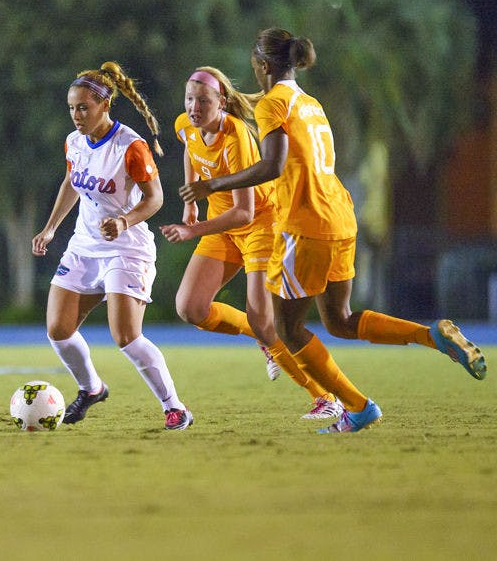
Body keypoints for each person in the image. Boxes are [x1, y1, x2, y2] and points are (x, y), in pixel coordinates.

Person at [179, 28, 487, 434]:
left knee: (285, 329)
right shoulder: (310, 103)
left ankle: (356, 407)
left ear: (263, 66)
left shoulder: (273, 104)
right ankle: (431, 335)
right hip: (340, 217)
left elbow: (271, 166)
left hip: (305, 226)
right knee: (339, 320)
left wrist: (212, 185)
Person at [161, 66, 343, 420]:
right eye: (189, 99)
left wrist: (193, 231)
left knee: (263, 317)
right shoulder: (185, 124)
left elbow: (244, 213)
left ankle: (326, 397)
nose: (194, 107)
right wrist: (189, 202)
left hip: (260, 223)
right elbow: (190, 151)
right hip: (221, 224)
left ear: (222, 102)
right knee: (190, 308)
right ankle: (264, 339)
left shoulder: (237, 138)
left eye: (203, 100)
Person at [32, 61, 192, 431]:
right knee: (58, 329)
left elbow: (154, 199)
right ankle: (91, 389)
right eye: (72, 107)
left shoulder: (130, 146)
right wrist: (50, 228)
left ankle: (175, 407)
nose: (76, 115)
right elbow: (72, 182)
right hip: (84, 246)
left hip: (126, 247)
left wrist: (123, 221)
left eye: (84, 107)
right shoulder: (74, 141)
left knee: (125, 336)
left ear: (105, 106)